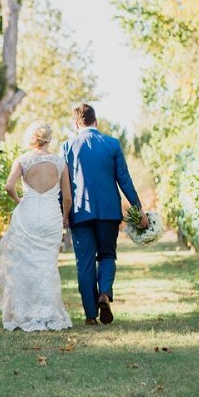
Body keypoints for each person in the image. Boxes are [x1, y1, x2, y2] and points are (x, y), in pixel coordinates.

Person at [62, 103, 142, 326]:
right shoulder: (112, 144)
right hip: (108, 212)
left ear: (76, 124)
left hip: (80, 213)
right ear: (95, 121)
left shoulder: (67, 147)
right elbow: (124, 180)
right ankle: (104, 293)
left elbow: (64, 186)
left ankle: (90, 316)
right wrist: (138, 209)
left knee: (85, 263)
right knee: (107, 255)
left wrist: (63, 212)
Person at [0, 122, 73, 331]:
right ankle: (50, 314)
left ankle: (24, 313)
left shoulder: (22, 160)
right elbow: (68, 198)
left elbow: (9, 186)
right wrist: (65, 216)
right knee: (47, 265)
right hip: (50, 215)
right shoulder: (60, 162)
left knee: (24, 264)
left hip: (27, 214)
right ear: (49, 138)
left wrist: (19, 200)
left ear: (32, 138)